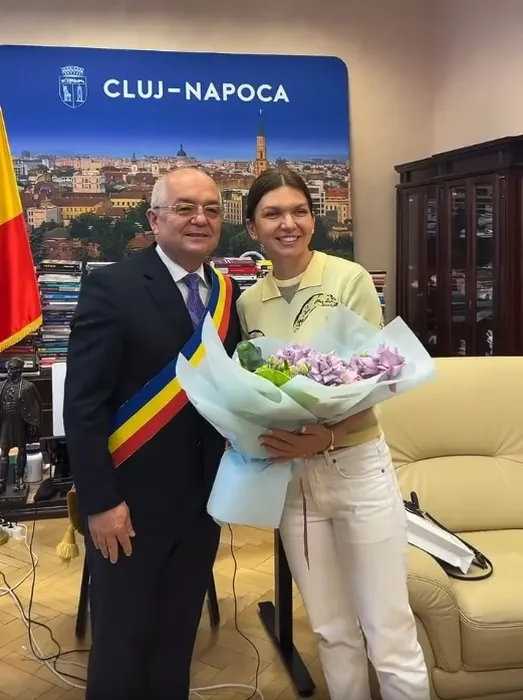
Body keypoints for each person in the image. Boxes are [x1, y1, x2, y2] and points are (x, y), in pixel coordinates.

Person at [237, 170, 430, 700]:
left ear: (313, 219)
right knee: (330, 629)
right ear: (252, 227)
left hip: (356, 469)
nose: (288, 223)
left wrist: (325, 437)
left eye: (299, 211)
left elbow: (376, 375)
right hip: (293, 482)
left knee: (388, 632)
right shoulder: (249, 303)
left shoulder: (348, 279)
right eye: (273, 214)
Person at [63, 168, 242, 700]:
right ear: (155, 219)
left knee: (175, 640)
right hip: (129, 507)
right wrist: (100, 502)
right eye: (185, 207)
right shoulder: (112, 287)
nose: (200, 219)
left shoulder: (225, 293)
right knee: (121, 646)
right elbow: (84, 405)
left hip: (202, 504)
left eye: (211, 209)